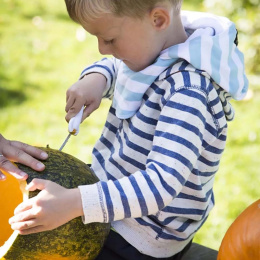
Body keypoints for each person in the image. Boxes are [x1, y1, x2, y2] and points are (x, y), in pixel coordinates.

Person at [9, 0, 248, 259]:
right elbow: (120, 69)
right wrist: (96, 80)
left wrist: (75, 202)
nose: (102, 48)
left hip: (141, 234)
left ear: (158, 19)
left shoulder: (188, 93)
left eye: (109, 39)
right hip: (113, 195)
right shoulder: (157, 45)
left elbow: (159, 186)